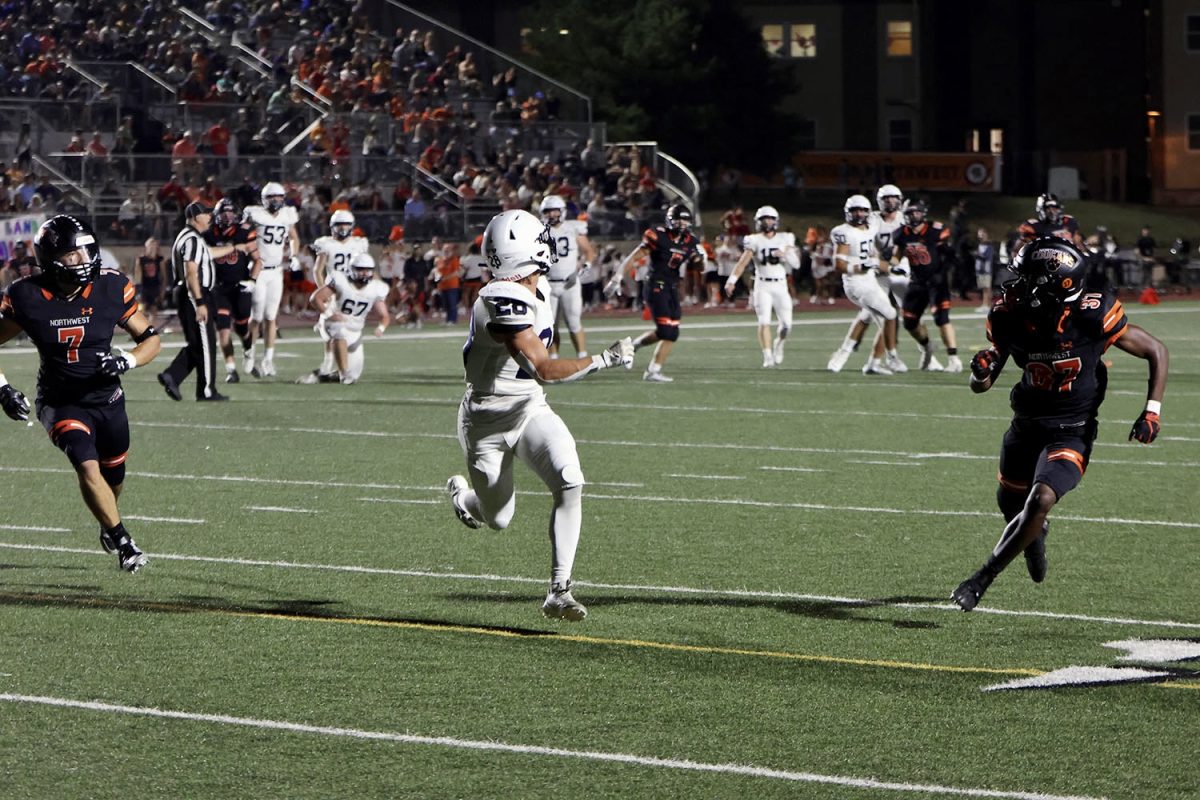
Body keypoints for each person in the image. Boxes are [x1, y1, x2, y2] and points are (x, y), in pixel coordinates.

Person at [951, 237, 1168, 611]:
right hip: (1026, 424)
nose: (1017, 285)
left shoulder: (1091, 315)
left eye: (1028, 278)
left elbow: (1156, 350)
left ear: (1053, 286)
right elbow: (981, 385)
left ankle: (981, 579)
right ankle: (1034, 538)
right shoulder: (1009, 315)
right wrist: (980, 371)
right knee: (1011, 503)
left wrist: (1152, 410)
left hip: (1072, 427)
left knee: (1041, 499)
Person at [447, 209, 635, 620]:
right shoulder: (500, 298)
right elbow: (546, 370)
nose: (549, 244)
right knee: (498, 518)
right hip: (487, 419)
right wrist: (605, 359)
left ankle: (559, 590)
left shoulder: (539, 285)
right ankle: (464, 498)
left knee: (570, 480)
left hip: (529, 406)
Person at [0, 215, 162, 572]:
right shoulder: (27, 295)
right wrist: (3, 389)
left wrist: (128, 361)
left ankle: (108, 522)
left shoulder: (111, 287)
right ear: (52, 258)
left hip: (106, 398)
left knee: (113, 477)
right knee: (85, 464)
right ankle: (123, 541)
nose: (84, 259)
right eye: (74, 254)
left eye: (87, 251)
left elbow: (151, 339)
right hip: (60, 400)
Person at [158, 202, 252, 401]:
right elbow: (192, 272)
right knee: (206, 344)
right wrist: (200, 301)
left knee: (199, 344)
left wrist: (234, 247)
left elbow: (208, 253)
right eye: (206, 214)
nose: (210, 217)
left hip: (193, 293)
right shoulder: (191, 239)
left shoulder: (191, 238)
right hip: (195, 293)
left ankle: (172, 376)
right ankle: (207, 390)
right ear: (194, 217)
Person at [606, 203, 704, 382]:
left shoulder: (691, 241)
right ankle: (648, 365)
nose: (682, 223)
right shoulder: (658, 235)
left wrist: (700, 259)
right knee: (667, 330)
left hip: (672, 287)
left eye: (685, 220)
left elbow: (700, 267)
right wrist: (618, 275)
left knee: (670, 332)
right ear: (670, 219)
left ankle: (641, 356)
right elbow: (635, 256)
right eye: (679, 219)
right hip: (655, 286)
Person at [827, 184, 908, 373]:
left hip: (869, 280)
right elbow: (839, 265)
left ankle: (861, 359)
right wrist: (861, 266)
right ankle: (890, 358)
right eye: (855, 211)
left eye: (863, 210)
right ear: (848, 213)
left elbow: (873, 259)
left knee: (873, 316)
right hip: (856, 283)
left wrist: (892, 269)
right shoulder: (844, 232)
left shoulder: (870, 229)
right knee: (890, 314)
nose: (859, 214)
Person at [892, 199, 962, 372]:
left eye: (916, 212)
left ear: (923, 213)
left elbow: (949, 255)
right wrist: (891, 265)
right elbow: (896, 256)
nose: (913, 216)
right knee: (909, 321)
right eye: (910, 212)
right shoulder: (901, 233)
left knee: (941, 318)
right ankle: (927, 346)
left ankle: (954, 359)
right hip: (916, 282)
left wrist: (943, 275)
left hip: (937, 282)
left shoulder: (935, 230)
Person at [723, 206, 797, 367]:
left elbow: (796, 264)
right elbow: (743, 262)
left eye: (770, 219)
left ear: (776, 221)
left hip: (781, 285)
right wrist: (731, 281)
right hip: (762, 285)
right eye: (764, 219)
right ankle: (768, 356)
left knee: (786, 326)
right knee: (764, 321)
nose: (767, 222)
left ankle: (779, 343)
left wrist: (787, 254)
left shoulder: (786, 238)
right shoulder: (754, 239)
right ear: (759, 222)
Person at [301, 253, 390, 385]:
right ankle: (343, 373)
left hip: (355, 329)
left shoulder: (376, 288)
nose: (365, 273)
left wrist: (381, 328)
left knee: (355, 373)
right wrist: (328, 313)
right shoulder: (341, 281)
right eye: (361, 270)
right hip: (333, 322)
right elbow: (315, 299)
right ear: (352, 270)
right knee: (339, 330)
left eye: (368, 270)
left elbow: (384, 315)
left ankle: (321, 377)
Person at [242, 182, 300, 378]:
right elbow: (242, 236)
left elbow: (293, 237)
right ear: (264, 199)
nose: (276, 201)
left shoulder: (287, 215)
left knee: (271, 317)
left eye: (279, 197)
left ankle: (268, 359)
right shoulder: (254, 214)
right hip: (258, 270)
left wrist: (294, 256)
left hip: (276, 271)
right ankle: (249, 353)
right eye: (272, 197)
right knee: (256, 317)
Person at [204, 199, 260, 383]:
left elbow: (258, 260)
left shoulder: (245, 232)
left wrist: (252, 280)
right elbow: (207, 253)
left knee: (242, 327)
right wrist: (234, 248)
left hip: (241, 285)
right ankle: (231, 369)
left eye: (230, 212)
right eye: (224, 212)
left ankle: (248, 349)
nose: (227, 216)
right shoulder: (209, 234)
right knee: (223, 330)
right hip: (219, 288)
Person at [310, 209, 369, 381]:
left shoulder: (359, 244)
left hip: (352, 290)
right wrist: (324, 291)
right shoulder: (326, 243)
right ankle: (327, 365)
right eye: (339, 224)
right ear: (332, 227)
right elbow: (317, 270)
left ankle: (338, 366)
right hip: (334, 289)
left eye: (346, 224)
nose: (343, 227)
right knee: (333, 328)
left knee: (350, 326)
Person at [539, 194, 597, 358]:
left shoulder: (573, 228)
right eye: (548, 211)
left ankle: (582, 356)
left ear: (562, 211)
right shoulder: (538, 230)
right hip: (547, 283)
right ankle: (553, 358)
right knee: (549, 325)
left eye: (555, 211)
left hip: (569, 283)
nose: (551, 215)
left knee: (573, 323)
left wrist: (586, 266)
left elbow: (588, 251)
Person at [1017, 194, 1084, 249]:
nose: (1052, 211)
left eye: (1054, 208)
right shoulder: (1033, 225)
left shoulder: (1069, 221)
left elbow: (1079, 245)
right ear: (1041, 209)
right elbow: (1020, 250)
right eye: (1048, 208)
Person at [974, 228, 996, 311]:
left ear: (986, 234)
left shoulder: (988, 245)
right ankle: (985, 304)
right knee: (984, 288)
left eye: (982, 234)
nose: (980, 236)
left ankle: (987, 305)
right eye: (979, 234)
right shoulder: (980, 244)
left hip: (986, 270)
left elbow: (986, 257)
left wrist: (977, 254)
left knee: (987, 288)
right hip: (980, 269)